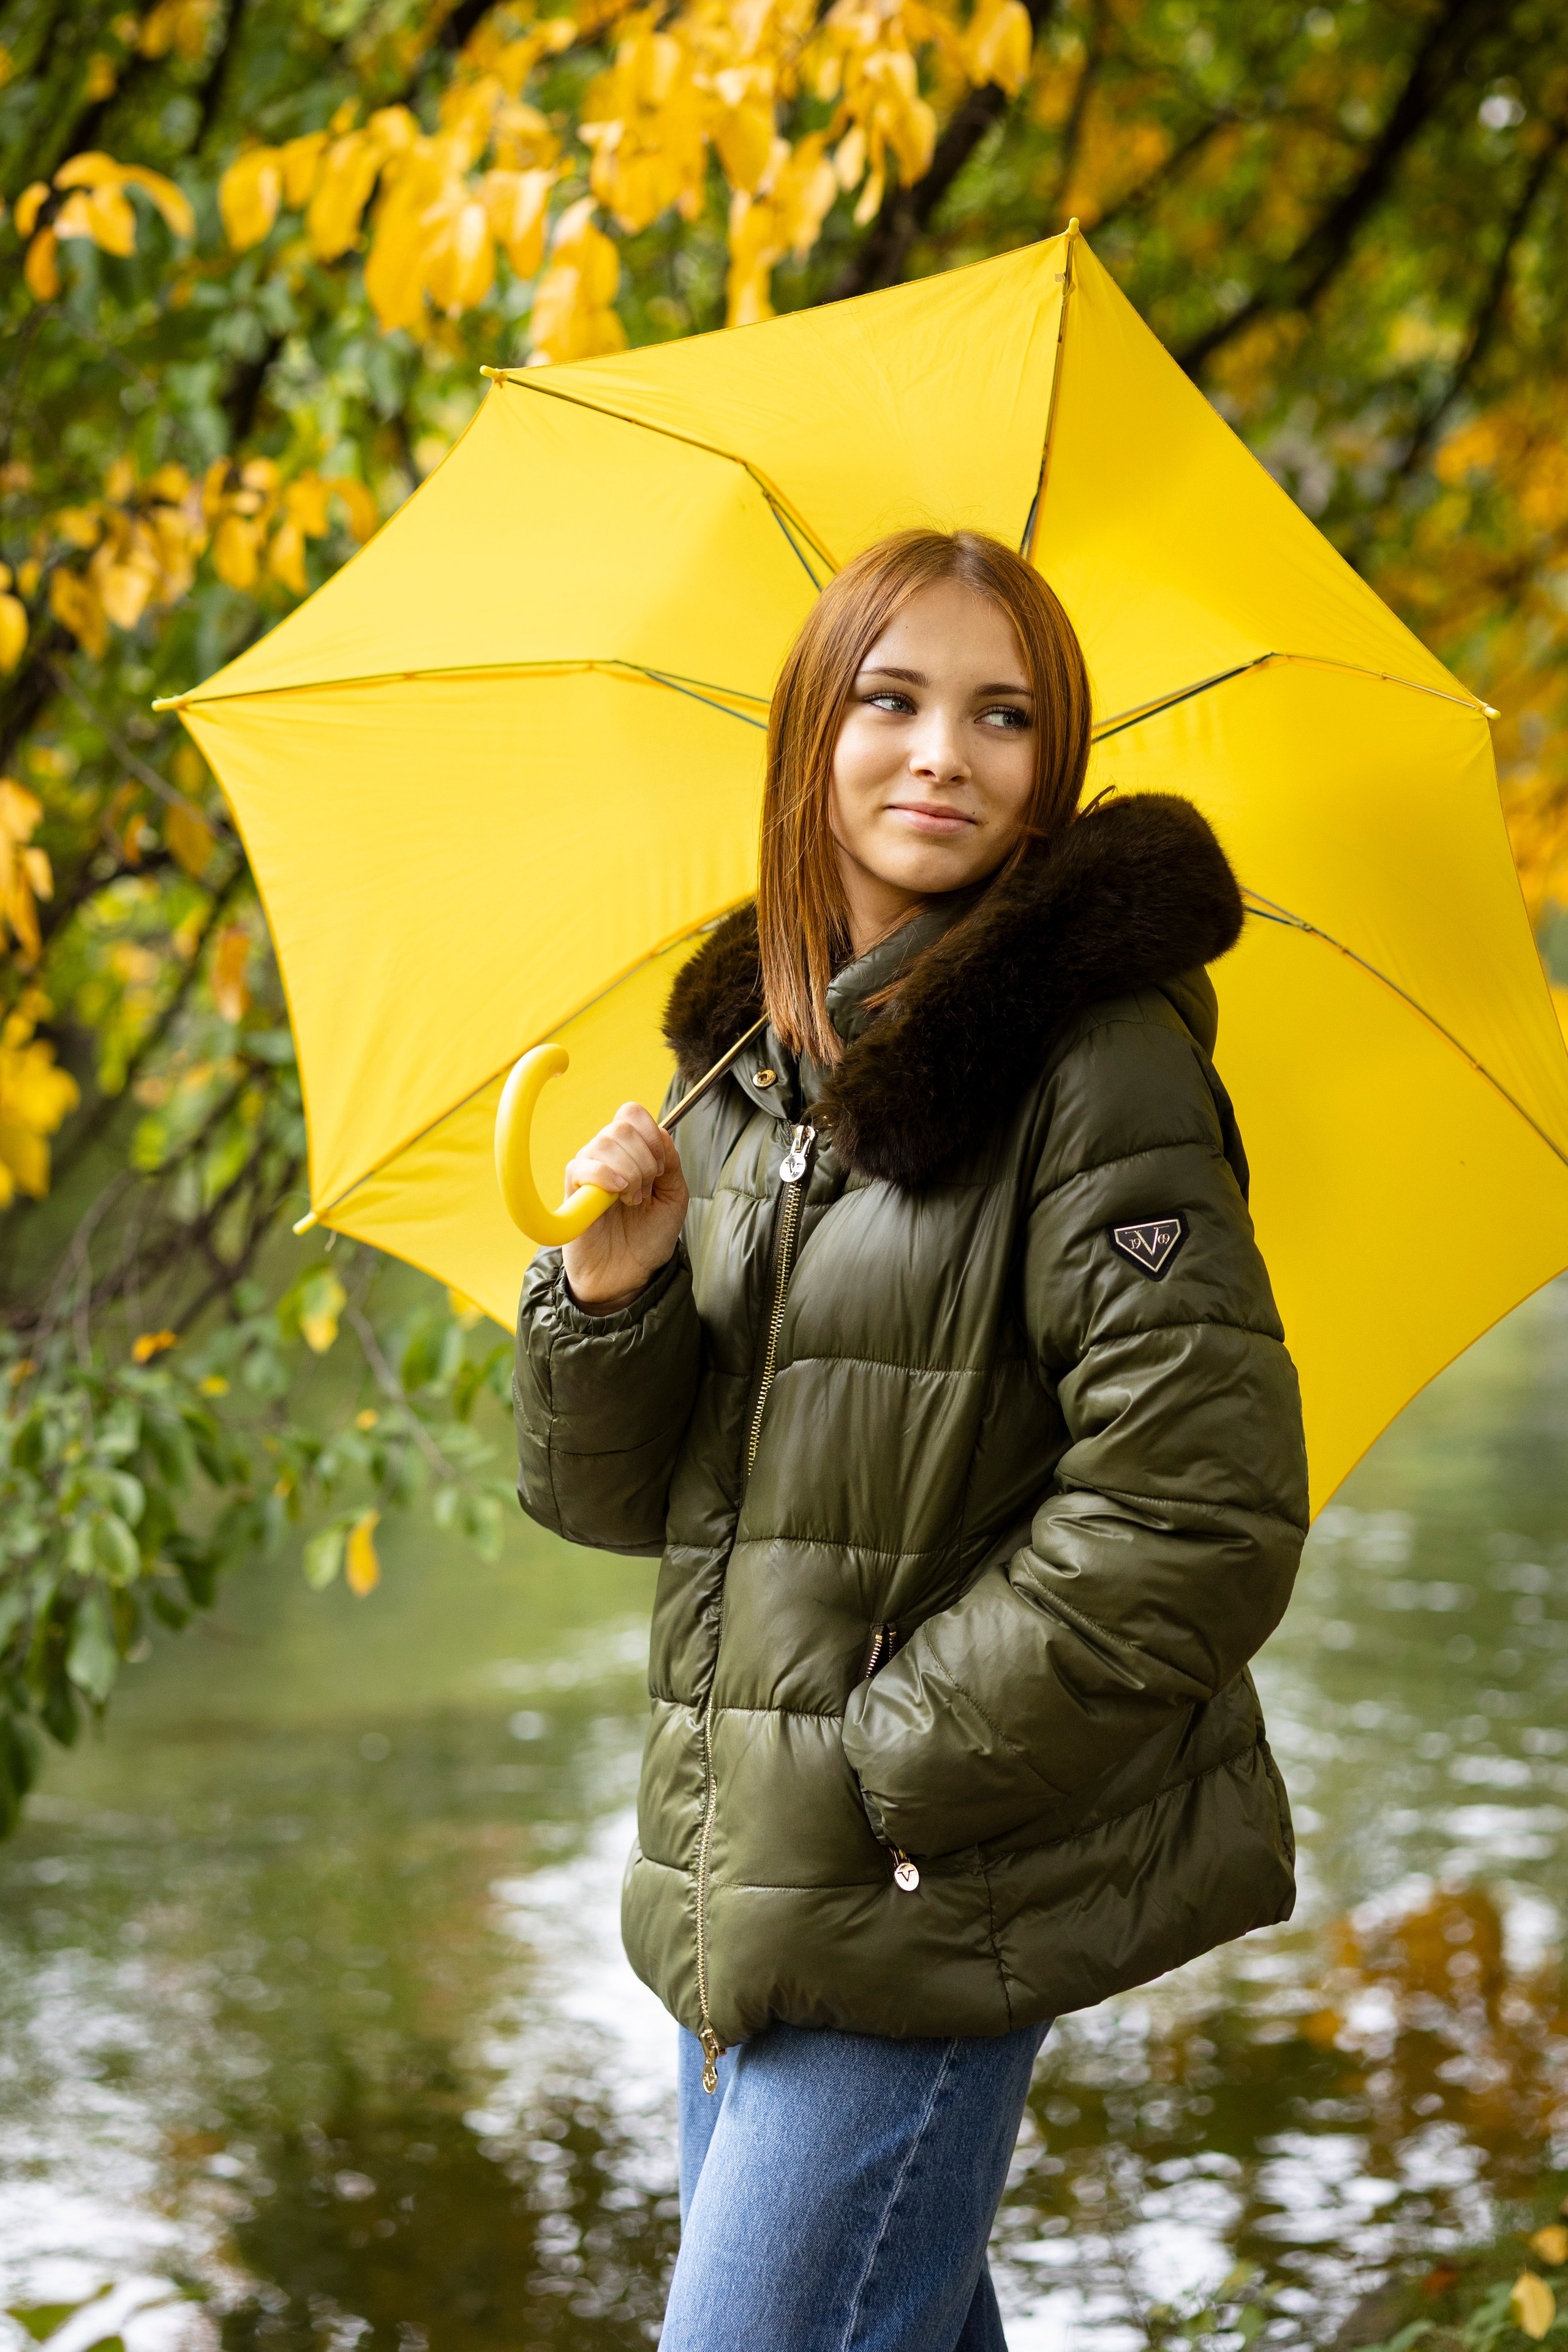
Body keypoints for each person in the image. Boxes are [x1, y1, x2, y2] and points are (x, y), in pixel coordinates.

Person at [513, 527, 1308, 2351]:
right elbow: (615, 1501)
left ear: (1056, 766)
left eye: (1003, 715)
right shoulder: (745, 1074)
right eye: (892, 699)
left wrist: (888, 1775)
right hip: (745, 1893)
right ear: (813, 736)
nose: (942, 752)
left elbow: (1203, 1510)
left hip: (908, 1883)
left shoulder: (1093, 1063)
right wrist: (615, 1297)